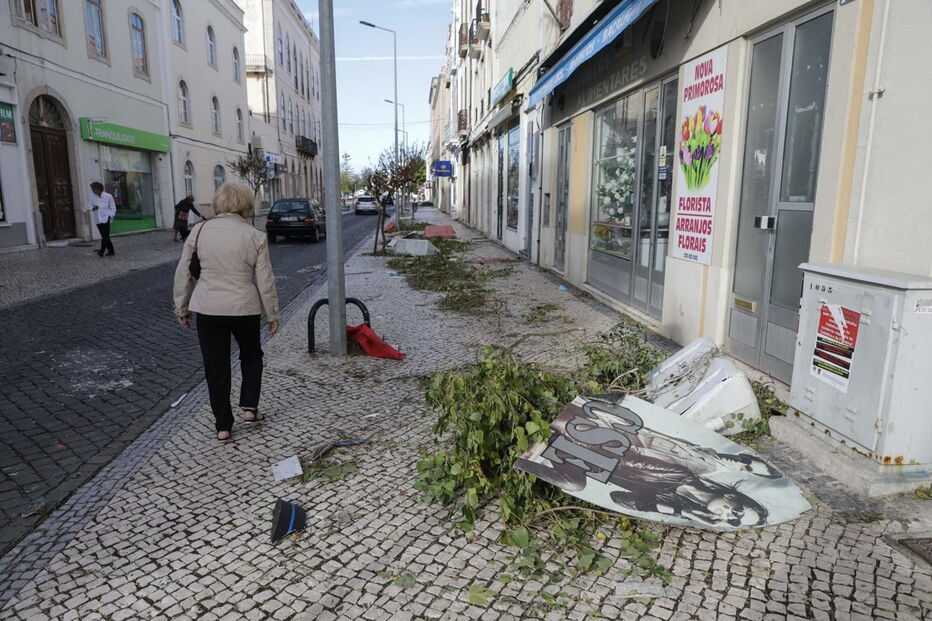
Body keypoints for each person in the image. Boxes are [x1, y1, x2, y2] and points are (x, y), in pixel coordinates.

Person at [173, 183, 280, 442]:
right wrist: (273, 313)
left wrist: (181, 307)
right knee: (252, 356)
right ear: (245, 204)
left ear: (219, 203)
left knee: (215, 367)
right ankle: (250, 409)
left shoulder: (199, 231)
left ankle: (223, 425)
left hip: (208, 308)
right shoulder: (254, 235)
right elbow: (265, 279)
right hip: (245, 307)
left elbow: (184, 272)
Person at [88, 182, 116, 257]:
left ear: (98, 189)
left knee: (105, 236)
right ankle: (111, 251)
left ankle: (102, 251)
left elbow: (113, 208)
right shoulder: (92, 197)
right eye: (92, 189)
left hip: (106, 218)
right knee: (105, 236)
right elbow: (89, 206)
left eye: (94, 189)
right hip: (98, 218)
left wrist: (110, 215)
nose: (93, 191)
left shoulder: (108, 196)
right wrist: (93, 208)